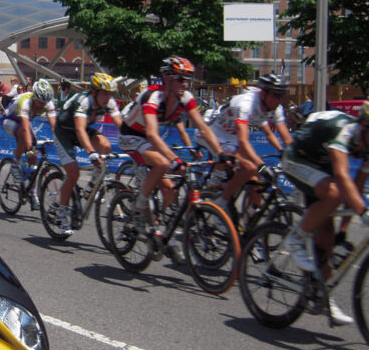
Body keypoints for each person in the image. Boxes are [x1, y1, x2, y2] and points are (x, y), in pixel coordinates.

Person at [278, 103, 369, 326]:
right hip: (296, 158)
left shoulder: (365, 142)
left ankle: (326, 298)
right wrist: (364, 212)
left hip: (320, 167)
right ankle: (295, 237)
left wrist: (344, 231)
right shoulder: (345, 130)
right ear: (364, 126)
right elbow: (342, 175)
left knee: (327, 237)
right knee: (334, 192)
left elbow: (356, 189)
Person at [119, 57, 227, 235]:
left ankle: (169, 233)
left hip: (148, 139)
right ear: (167, 79)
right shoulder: (152, 97)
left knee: (169, 188)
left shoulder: (185, 98)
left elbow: (203, 128)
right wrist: (174, 159)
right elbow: (153, 134)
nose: (185, 84)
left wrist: (220, 153)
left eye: (187, 79)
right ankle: (139, 207)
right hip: (130, 136)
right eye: (180, 79)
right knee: (162, 163)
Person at [196, 73, 293, 213]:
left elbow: (282, 137)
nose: (279, 100)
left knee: (257, 178)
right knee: (251, 168)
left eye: (282, 95)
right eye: (276, 95)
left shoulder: (274, 108)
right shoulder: (246, 104)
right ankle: (220, 203)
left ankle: (253, 214)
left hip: (232, 138)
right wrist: (262, 166)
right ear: (263, 94)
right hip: (215, 134)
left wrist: (287, 154)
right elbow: (243, 141)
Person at [52, 72, 123, 235]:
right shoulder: (84, 101)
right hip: (64, 132)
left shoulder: (109, 102)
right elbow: (78, 129)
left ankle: (92, 184)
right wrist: (91, 152)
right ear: (94, 92)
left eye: (110, 93)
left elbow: (122, 127)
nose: (107, 97)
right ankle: (61, 214)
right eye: (104, 93)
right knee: (73, 173)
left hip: (82, 130)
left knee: (105, 145)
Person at [1, 79, 58, 209]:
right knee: (26, 139)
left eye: (45, 102)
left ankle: (32, 192)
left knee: (33, 160)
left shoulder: (47, 103)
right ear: (35, 97)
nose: (42, 105)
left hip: (22, 123)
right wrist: (29, 148)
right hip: (9, 120)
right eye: (40, 102)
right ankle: (15, 163)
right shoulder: (26, 101)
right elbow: (26, 128)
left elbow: (55, 126)